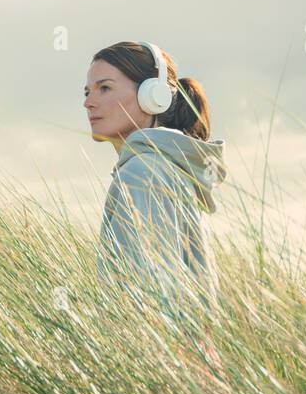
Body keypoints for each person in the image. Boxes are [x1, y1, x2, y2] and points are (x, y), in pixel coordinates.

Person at [83, 40, 227, 319]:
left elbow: (147, 296)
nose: (88, 101)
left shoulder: (143, 172)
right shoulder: (164, 166)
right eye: (87, 91)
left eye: (105, 88)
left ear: (153, 96)